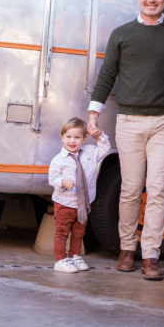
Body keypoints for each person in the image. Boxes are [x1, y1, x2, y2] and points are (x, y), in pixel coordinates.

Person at [88, 0, 164, 280]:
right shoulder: (121, 34)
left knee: (158, 189)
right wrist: (93, 114)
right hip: (128, 121)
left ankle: (151, 255)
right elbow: (106, 76)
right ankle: (127, 248)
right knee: (130, 189)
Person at [47, 117, 111, 273]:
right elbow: (52, 178)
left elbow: (105, 148)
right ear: (62, 137)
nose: (72, 141)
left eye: (77, 137)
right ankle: (60, 259)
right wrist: (63, 182)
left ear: (84, 138)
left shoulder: (90, 152)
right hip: (65, 203)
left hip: (83, 204)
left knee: (78, 232)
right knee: (62, 232)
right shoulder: (58, 160)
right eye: (68, 137)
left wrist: (99, 136)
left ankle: (74, 255)